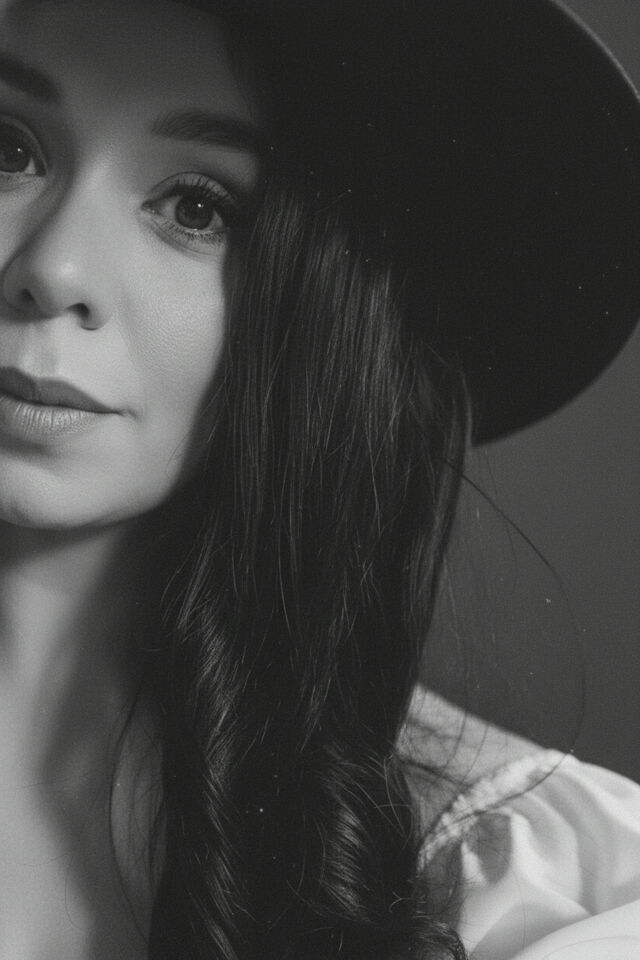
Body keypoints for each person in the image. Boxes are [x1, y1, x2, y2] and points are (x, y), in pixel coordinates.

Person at [0, 0, 638, 958]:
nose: (54, 269)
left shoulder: (523, 896)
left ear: (331, 306)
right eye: (8, 150)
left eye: (197, 207)